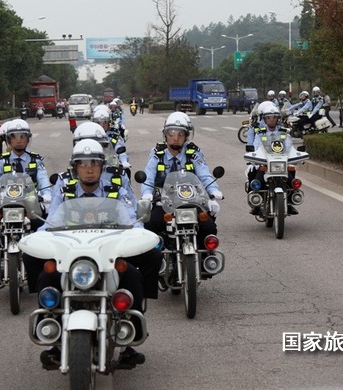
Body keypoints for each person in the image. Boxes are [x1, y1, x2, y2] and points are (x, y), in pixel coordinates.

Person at [32, 139, 161, 367]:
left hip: (108, 254)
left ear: (102, 167)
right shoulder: (64, 191)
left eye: (94, 164)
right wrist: (38, 237)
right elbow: (51, 221)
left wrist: (138, 234)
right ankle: (52, 333)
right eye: (83, 164)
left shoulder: (116, 190)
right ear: (75, 168)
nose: (89, 169)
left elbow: (131, 219)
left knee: (132, 274)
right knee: (46, 275)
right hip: (72, 255)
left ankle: (131, 335)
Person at [0, 119, 52, 270]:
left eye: (22, 136)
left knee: (44, 224)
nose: (19, 140)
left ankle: (44, 260)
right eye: (15, 137)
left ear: (27, 139)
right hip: (4, 202)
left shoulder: (36, 160)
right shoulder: (0, 161)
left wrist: (47, 195)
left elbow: (43, 179)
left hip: (30, 204)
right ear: (9, 140)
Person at [140, 112, 223, 249]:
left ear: (186, 136)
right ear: (165, 135)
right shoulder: (157, 154)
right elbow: (148, 177)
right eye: (171, 134)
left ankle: (205, 259)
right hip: (164, 203)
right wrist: (146, 194)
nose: (175, 138)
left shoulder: (194, 153)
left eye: (180, 134)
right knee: (150, 225)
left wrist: (214, 191)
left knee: (209, 226)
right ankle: (158, 261)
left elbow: (204, 175)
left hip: (192, 202)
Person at [249, 104, 298, 216]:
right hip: (265, 164)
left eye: (274, 117)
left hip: (281, 164)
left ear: (277, 119)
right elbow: (256, 146)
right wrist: (256, 159)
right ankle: (256, 203)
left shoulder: (284, 132)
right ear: (265, 120)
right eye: (269, 118)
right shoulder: (260, 132)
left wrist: (291, 159)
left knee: (291, 178)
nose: (271, 120)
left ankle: (290, 203)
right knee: (255, 180)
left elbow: (289, 146)